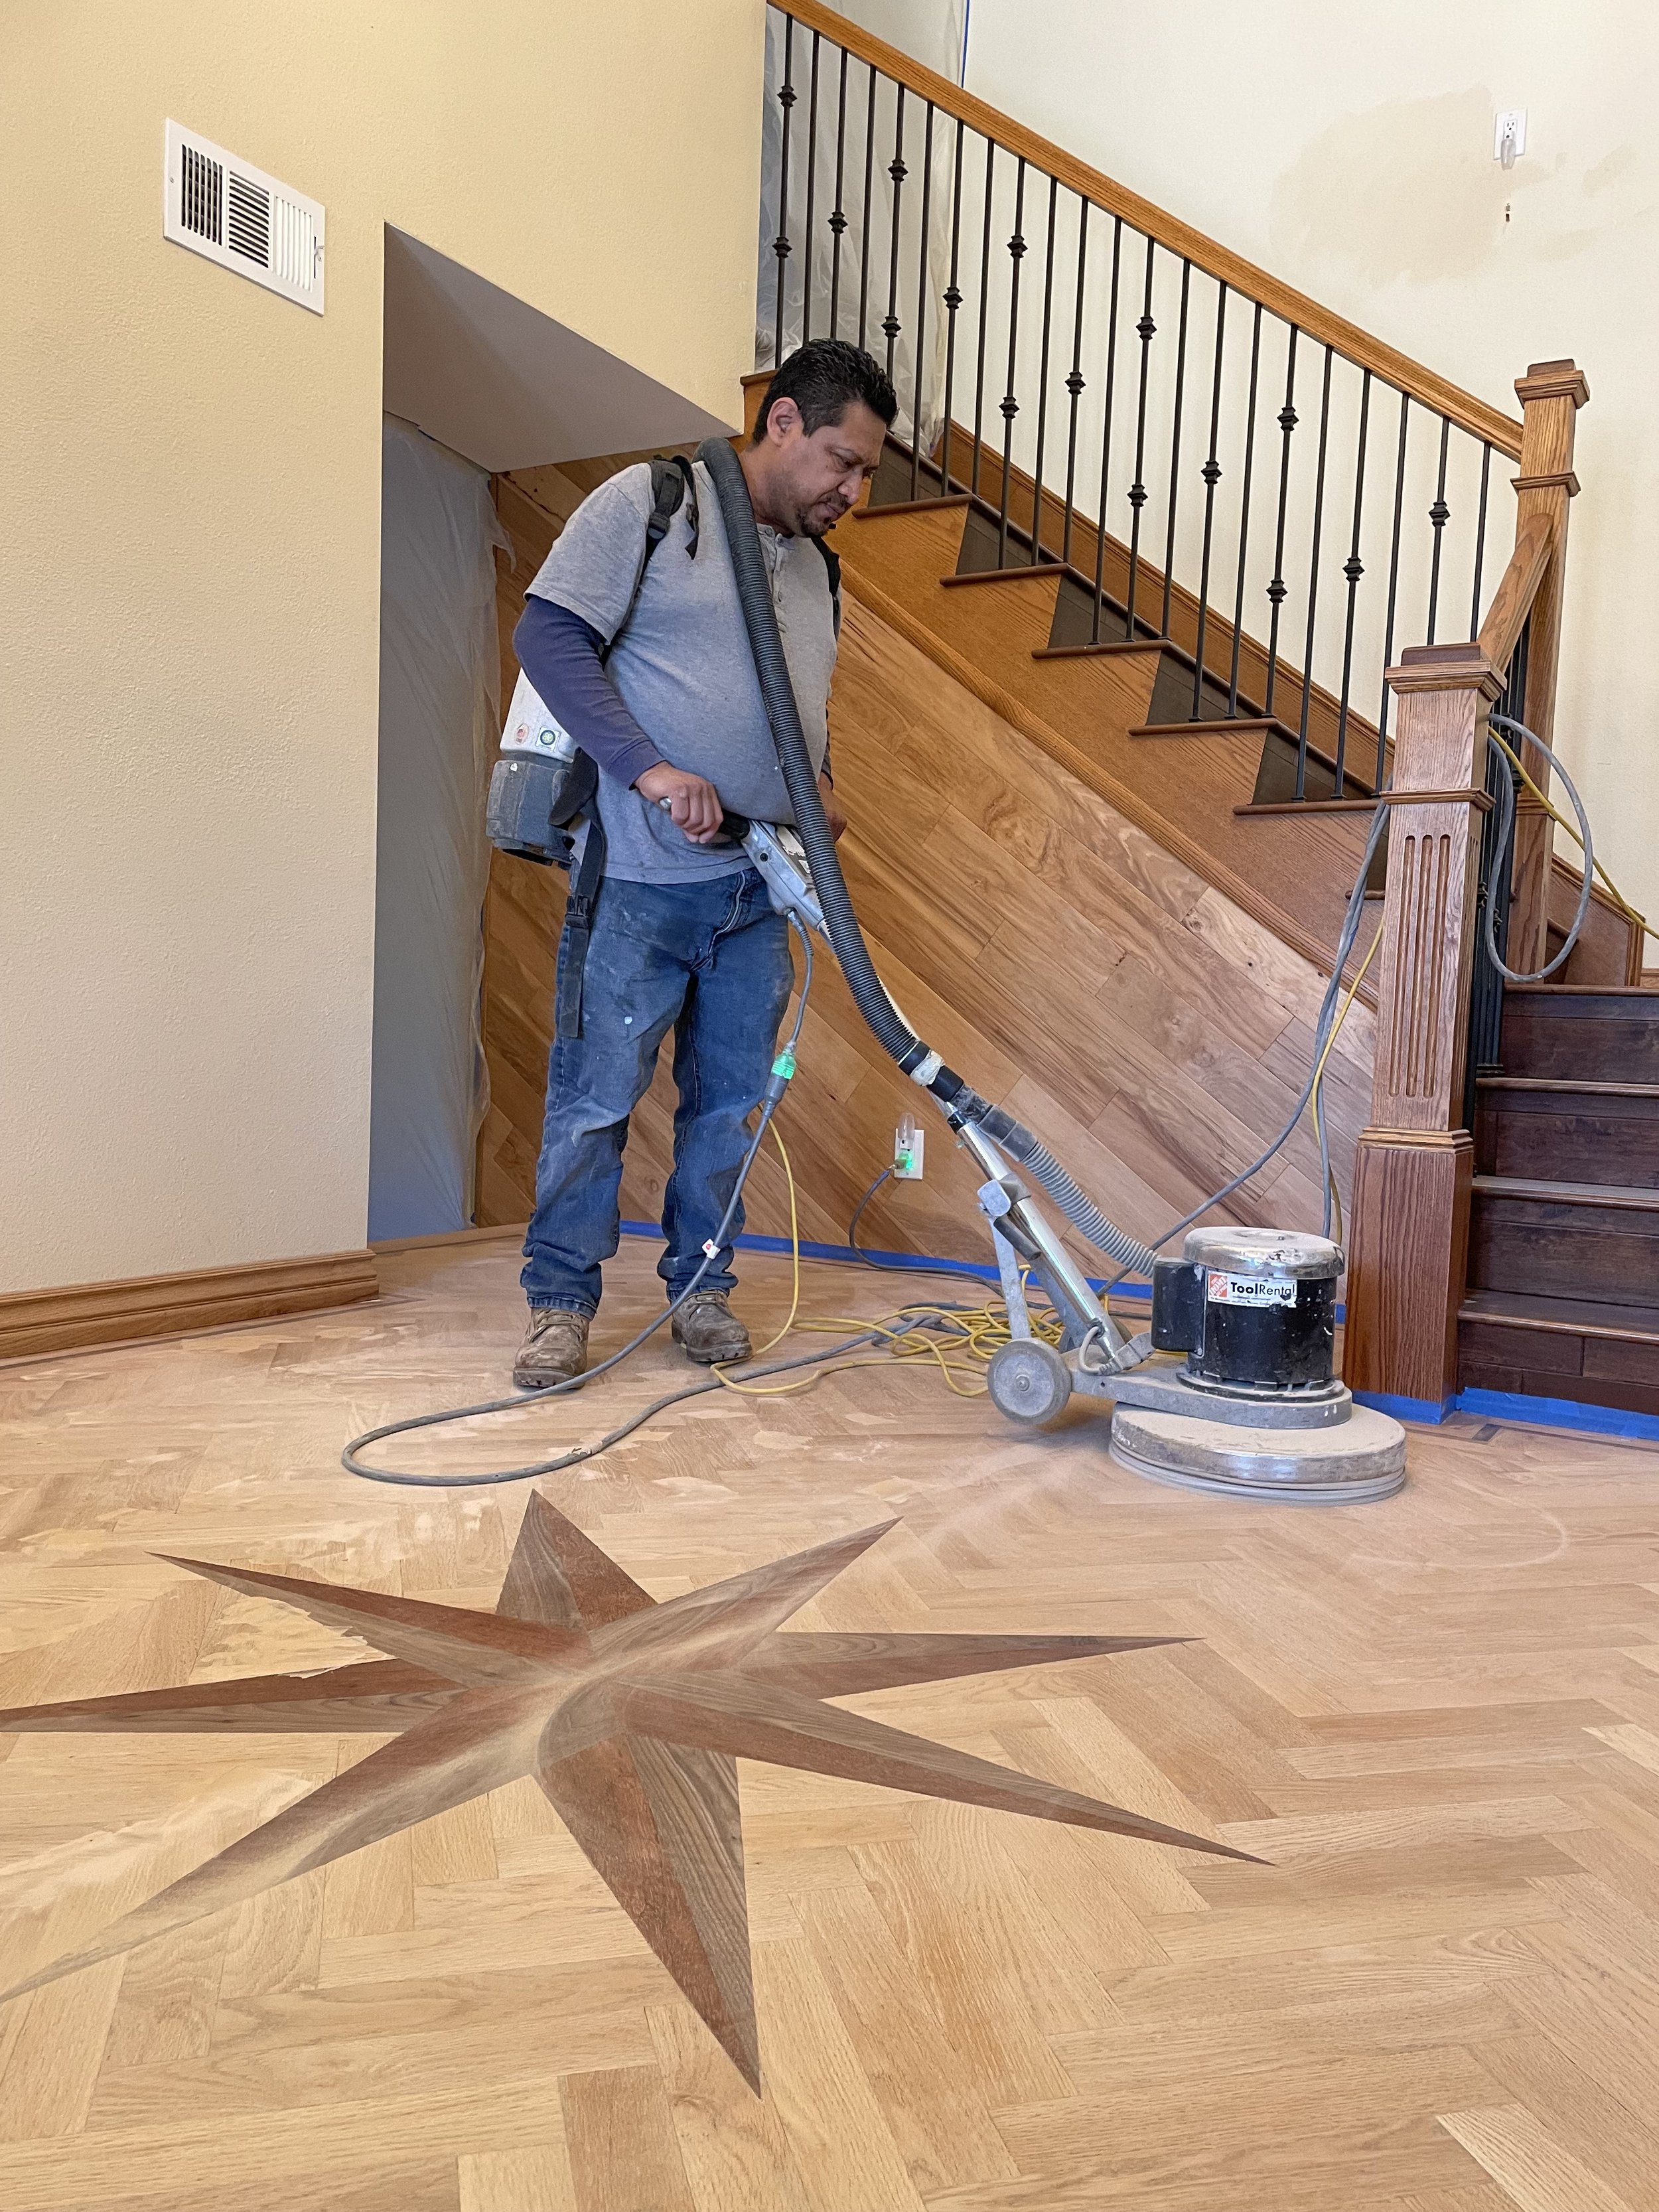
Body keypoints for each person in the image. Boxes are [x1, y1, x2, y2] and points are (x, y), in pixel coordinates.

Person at [508, 338, 897, 1388]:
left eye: (865, 471)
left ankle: (703, 1290)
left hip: (755, 892)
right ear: (779, 424)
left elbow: (790, 702)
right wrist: (648, 769)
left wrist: (816, 789)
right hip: (637, 881)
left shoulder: (819, 570)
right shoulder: (654, 503)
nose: (852, 489)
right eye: (839, 460)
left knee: (729, 1106)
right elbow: (547, 636)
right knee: (593, 1102)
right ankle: (558, 1305)